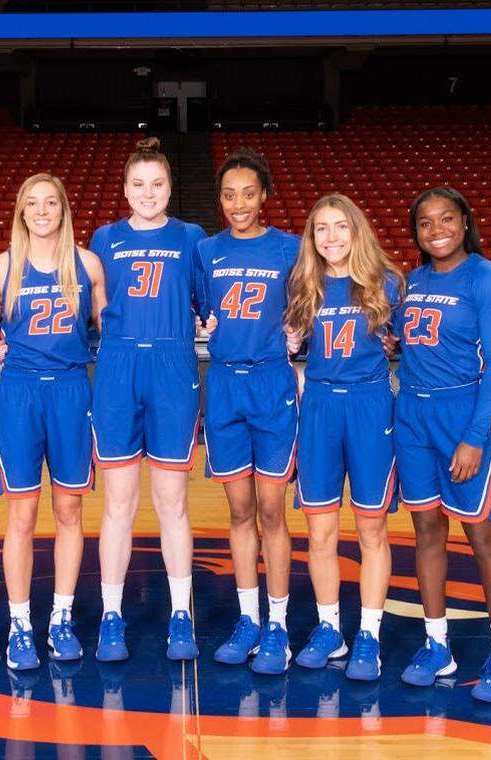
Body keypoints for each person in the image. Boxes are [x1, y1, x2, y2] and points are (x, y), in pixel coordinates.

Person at [393, 186, 491, 703]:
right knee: (426, 529)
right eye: (425, 223)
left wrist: (473, 438)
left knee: (481, 536)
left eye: (447, 218)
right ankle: (437, 644)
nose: (437, 229)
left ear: (465, 222)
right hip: (414, 416)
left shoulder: (488, 281)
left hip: (462, 414)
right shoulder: (414, 281)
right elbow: (412, 342)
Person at [0, 174, 106, 671]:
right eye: (32, 203)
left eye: (51, 201)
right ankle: (20, 624)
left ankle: (62, 617)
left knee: (69, 512)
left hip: (73, 391)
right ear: (20, 211)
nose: (42, 210)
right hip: (20, 393)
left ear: (63, 208)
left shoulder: (88, 265)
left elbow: (113, 326)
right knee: (22, 517)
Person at [88, 137, 207, 662]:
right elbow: (89, 306)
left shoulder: (192, 237)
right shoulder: (105, 238)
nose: (148, 193)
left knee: (172, 503)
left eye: (157, 183)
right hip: (117, 366)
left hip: (172, 364)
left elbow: (209, 304)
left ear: (170, 186)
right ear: (125, 189)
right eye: (138, 184)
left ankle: (182, 614)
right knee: (118, 504)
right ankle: (111, 615)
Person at [284, 193, 402, 682]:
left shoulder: (388, 284)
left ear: (358, 231)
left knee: (372, 529)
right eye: (321, 229)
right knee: (319, 531)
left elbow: (413, 346)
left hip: (371, 405)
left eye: (340, 227)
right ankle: (329, 627)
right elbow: (288, 349)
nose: (331, 237)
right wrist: (290, 348)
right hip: (319, 408)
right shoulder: (302, 286)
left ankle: (369, 634)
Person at [199, 148, 299, 674]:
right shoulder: (205, 252)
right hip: (224, 388)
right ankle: (248, 619)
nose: (238, 203)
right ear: (220, 200)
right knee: (239, 512)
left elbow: (312, 303)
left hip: (271, 383)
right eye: (229, 194)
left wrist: (299, 335)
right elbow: (198, 308)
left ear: (265, 196)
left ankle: (279, 624)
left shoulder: (289, 249)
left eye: (248, 193)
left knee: (271, 511)